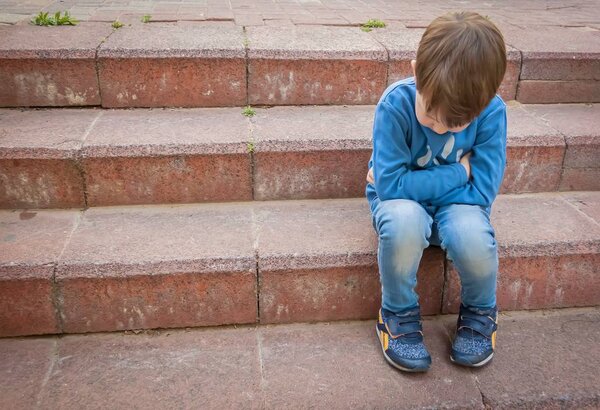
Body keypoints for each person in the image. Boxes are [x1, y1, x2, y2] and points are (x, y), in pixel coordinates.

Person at [366, 11, 507, 372]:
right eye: (430, 114)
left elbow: (482, 194)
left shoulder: (492, 113)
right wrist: (460, 172)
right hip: (404, 207)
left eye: (457, 124)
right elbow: (391, 187)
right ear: (415, 72)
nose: (442, 129)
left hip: (457, 208)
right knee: (404, 221)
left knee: (472, 233)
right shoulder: (396, 105)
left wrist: (417, 186)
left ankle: (479, 310)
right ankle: (396, 314)